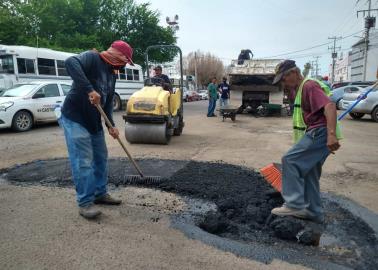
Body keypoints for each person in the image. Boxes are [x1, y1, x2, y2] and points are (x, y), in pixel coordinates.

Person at [59, 40, 134, 219]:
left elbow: (107, 103)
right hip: (75, 117)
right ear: (118, 55)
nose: (124, 65)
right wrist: (89, 90)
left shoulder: (112, 74)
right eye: (125, 60)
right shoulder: (92, 58)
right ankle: (85, 203)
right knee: (83, 160)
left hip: (94, 122)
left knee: (101, 157)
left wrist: (111, 126)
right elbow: (70, 62)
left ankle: (100, 194)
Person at [271, 60, 342, 223]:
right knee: (310, 173)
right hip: (318, 133)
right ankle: (313, 212)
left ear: (294, 73)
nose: (283, 82)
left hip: (320, 132)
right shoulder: (300, 88)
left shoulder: (309, 86)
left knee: (290, 160)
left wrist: (331, 134)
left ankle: (294, 203)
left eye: (284, 78)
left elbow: (330, 107)